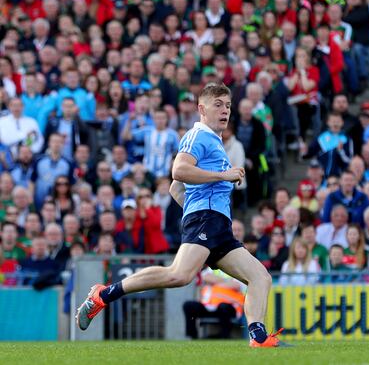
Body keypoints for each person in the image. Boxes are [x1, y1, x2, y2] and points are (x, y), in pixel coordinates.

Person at [75, 83, 283, 348]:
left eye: (228, 105)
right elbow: (179, 171)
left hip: (217, 225)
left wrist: (196, 204)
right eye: (218, 104)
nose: (225, 110)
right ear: (201, 109)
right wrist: (222, 178)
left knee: (260, 277)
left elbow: (176, 188)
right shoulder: (199, 136)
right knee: (179, 275)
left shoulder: (214, 141)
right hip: (206, 219)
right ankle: (103, 294)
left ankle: (259, 337)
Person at [183, 268, 245, 340]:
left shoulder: (237, 269)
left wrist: (214, 282)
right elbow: (205, 276)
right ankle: (193, 337)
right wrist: (226, 282)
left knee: (223, 306)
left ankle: (225, 336)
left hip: (229, 307)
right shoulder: (213, 267)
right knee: (188, 305)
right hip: (208, 305)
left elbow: (236, 285)